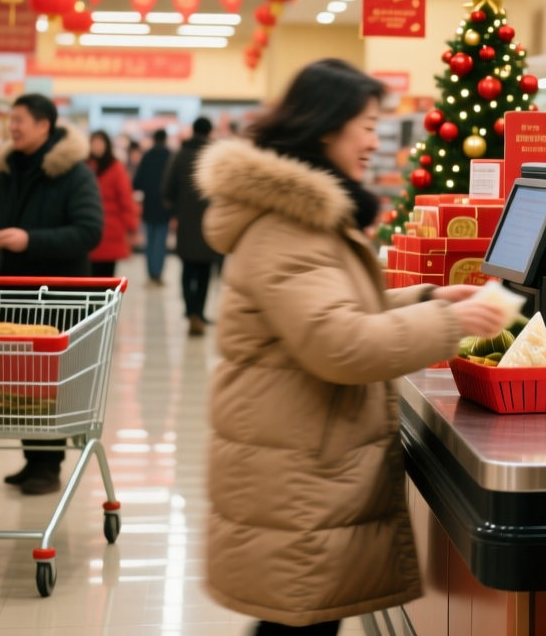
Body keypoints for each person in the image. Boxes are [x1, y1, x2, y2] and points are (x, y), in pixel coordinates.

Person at [198, 59, 503, 634]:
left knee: (299, 620)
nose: (374, 140)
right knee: (298, 621)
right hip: (295, 469)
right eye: (365, 124)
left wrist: (430, 297)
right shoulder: (289, 226)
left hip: (299, 453)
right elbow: (339, 344)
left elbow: (336, 311)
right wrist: (452, 320)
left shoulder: (304, 217)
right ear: (324, 126)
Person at [0, 93, 105, 494]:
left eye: (20, 120)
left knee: (49, 382)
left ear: (43, 126)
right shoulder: (9, 170)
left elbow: (89, 231)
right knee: (19, 381)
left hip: (57, 297)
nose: (12, 127)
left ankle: (48, 465)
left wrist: (29, 240)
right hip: (11, 293)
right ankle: (33, 458)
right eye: (10, 120)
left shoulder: (74, 173)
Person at [163, 117, 217, 336]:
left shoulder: (180, 155)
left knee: (187, 269)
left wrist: (176, 210)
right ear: (209, 131)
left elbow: (167, 189)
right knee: (205, 270)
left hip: (185, 221)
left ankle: (190, 311)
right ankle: (199, 313)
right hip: (210, 223)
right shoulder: (214, 158)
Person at [88, 130, 140, 278]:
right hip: (89, 229)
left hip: (110, 231)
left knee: (106, 279)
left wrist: (131, 227)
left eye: (100, 143)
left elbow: (126, 200)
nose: (97, 147)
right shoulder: (85, 167)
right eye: (94, 143)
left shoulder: (116, 168)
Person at [131, 129, 173, 285]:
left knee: (149, 241)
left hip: (149, 205)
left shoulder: (147, 156)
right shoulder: (170, 155)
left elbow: (137, 182)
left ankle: (150, 273)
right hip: (164, 206)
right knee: (161, 242)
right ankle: (158, 274)